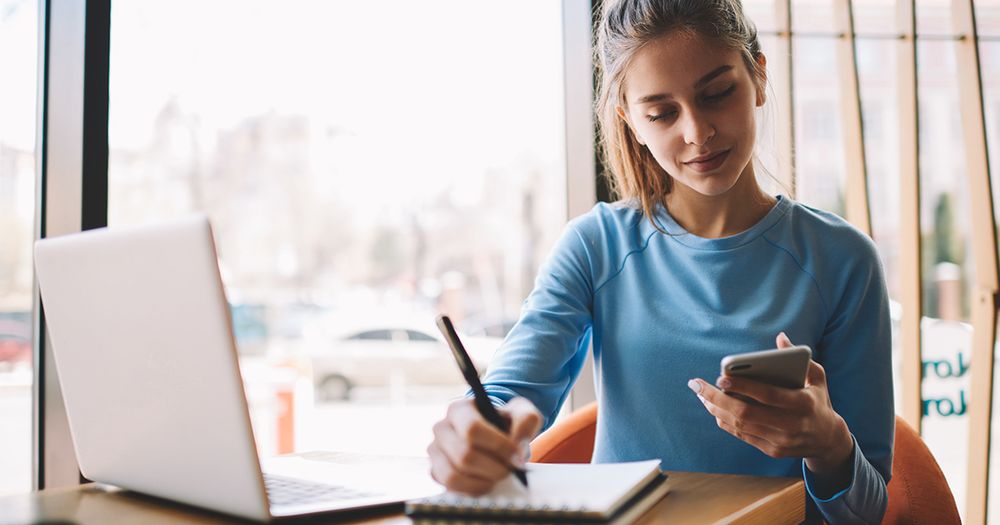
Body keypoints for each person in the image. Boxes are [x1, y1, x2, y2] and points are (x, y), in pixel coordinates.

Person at [426, 1, 894, 523]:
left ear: (758, 77)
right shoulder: (596, 245)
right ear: (630, 120)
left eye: (717, 94)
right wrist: (478, 429)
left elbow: (868, 511)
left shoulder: (843, 260)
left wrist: (829, 445)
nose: (696, 132)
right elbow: (510, 393)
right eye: (661, 113)